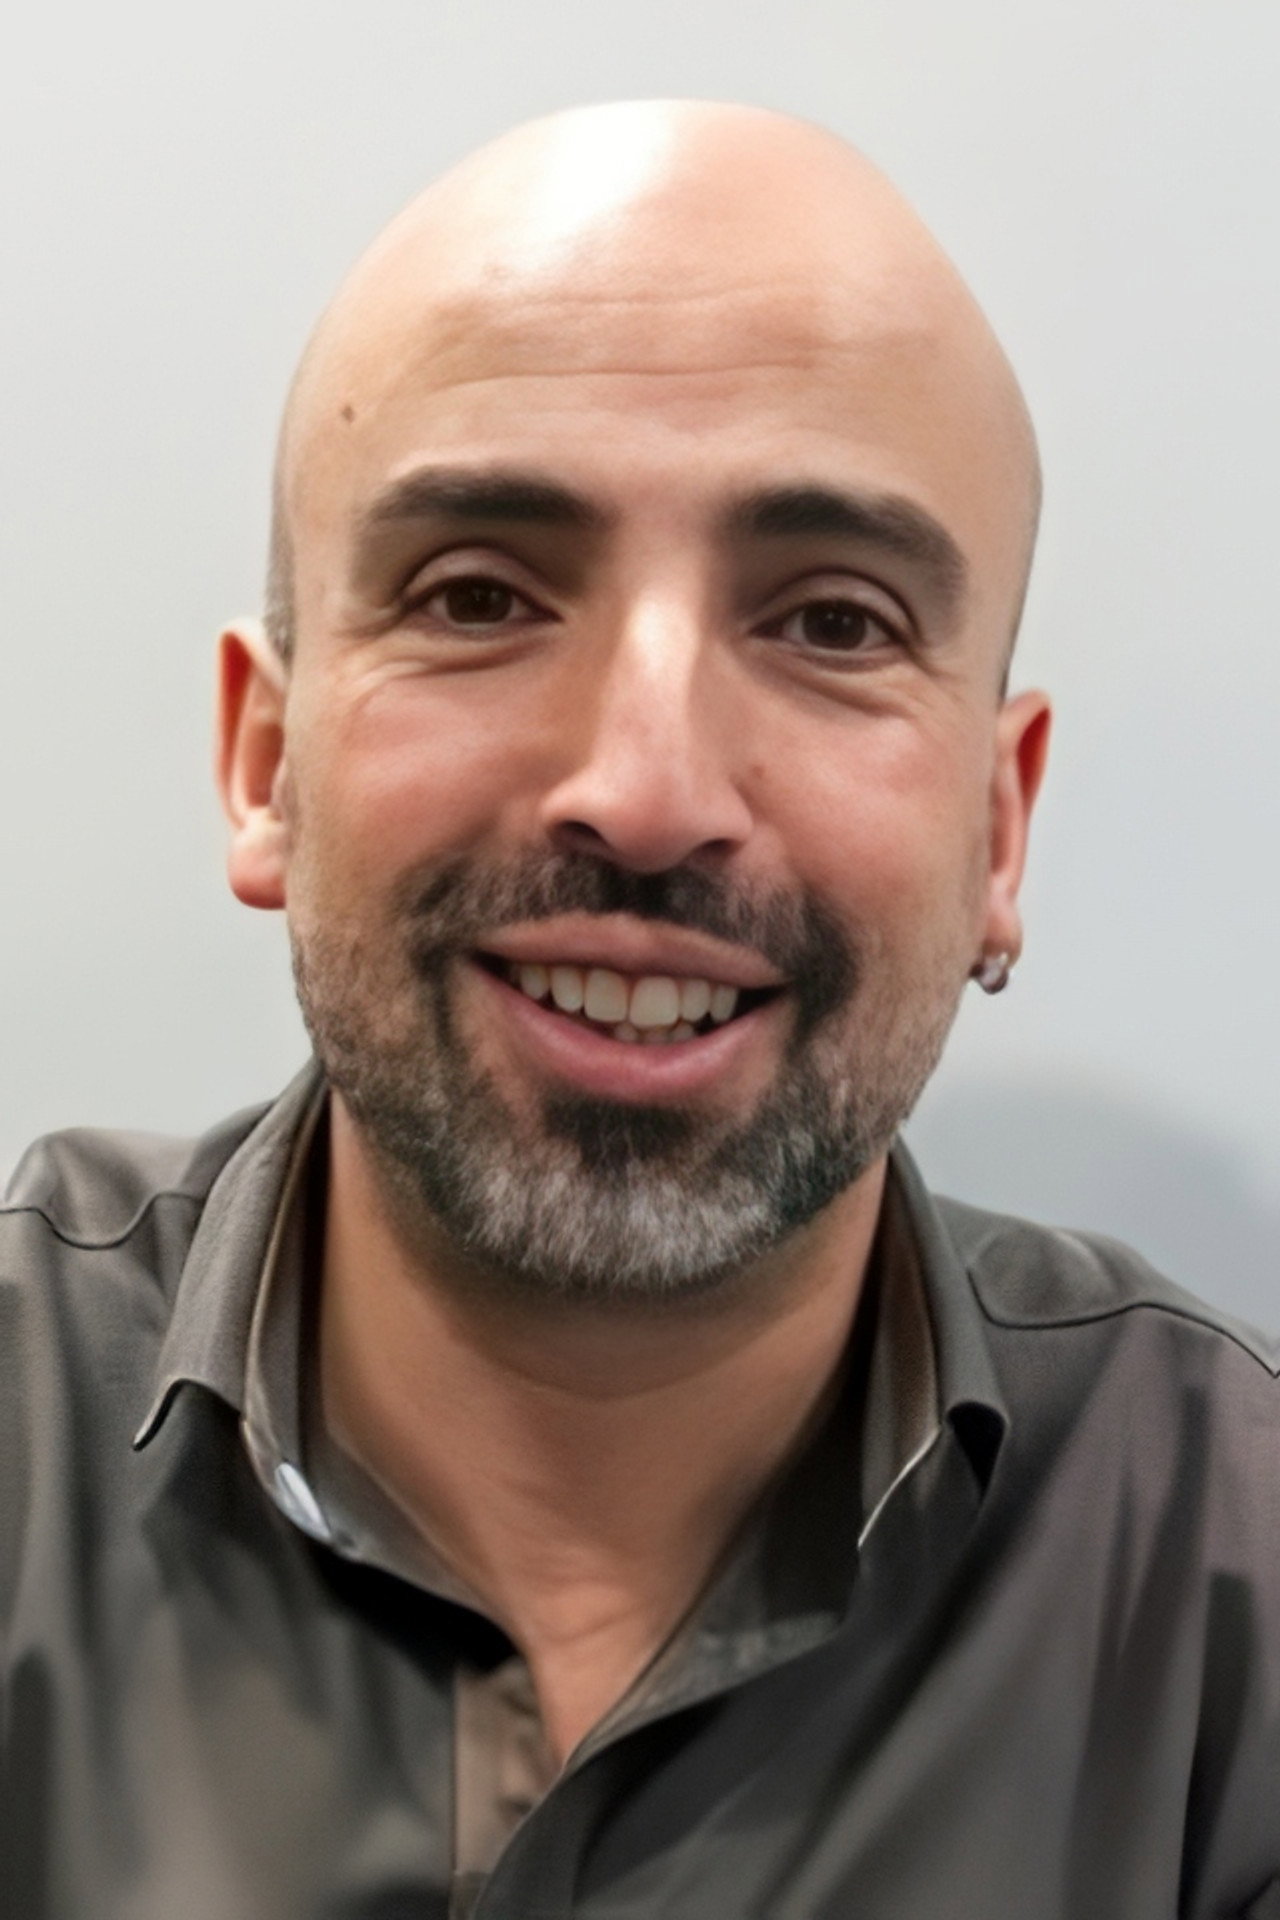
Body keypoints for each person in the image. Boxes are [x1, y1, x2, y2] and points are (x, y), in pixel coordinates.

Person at [1, 99, 1277, 1920]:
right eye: (479, 595)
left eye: (832, 624)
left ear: (999, 832)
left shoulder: (1234, 1598)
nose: (650, 788)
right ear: (265, 761)